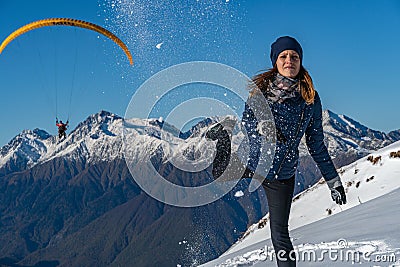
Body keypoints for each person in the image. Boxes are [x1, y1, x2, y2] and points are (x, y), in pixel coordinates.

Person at [207, 36, 347, 267]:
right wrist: (263, 130)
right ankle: (223, 136)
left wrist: (334, 182)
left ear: (301, 61)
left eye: (294, 56)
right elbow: (248, 122)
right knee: (219, 172)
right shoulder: (260, 92)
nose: (289, 60)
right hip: (255, 163)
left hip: (282, 175)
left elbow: (316, 144)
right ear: (276, 62)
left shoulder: (310, 98)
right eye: (283, 56)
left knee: (280, 235)